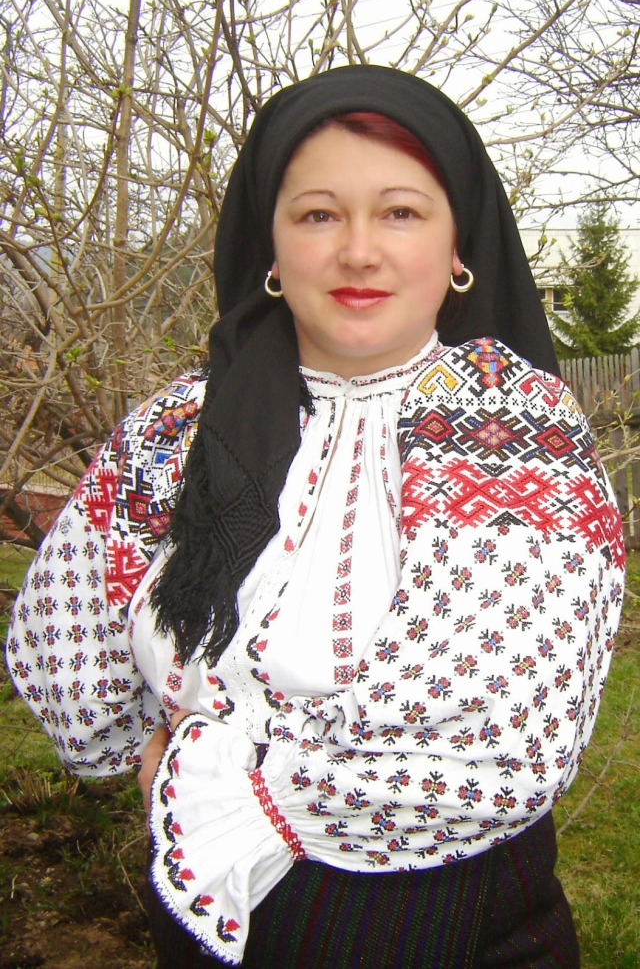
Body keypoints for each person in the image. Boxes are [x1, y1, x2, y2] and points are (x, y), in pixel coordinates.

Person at [6, 66, 625, 969]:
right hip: (199, 907)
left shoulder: (512, 426)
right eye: (318, 215)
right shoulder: (175, 429)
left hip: (445, 924)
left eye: (401, 212)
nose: (359, 251)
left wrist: (222, 781)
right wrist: (158, 754)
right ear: (271, 243)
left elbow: (494, 740)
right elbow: (68, 658)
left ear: (459, 243)